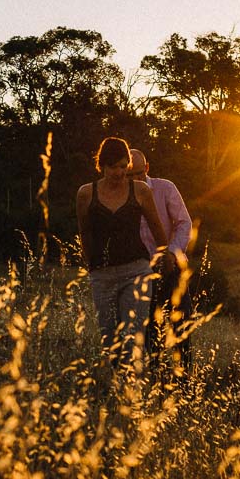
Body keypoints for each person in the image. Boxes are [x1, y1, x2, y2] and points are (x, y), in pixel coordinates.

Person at [76, 137, 172, 375]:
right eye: (112, 167)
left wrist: (166, 257)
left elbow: (157, 229)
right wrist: (92, 267)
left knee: (131, 339)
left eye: (122, 166)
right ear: (102, 166)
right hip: (103, 275)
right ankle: (116, 393)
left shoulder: (140, 191)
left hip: (136, 272)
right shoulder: (86, 194)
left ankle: (133, 392)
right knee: (110, 342)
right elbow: (84, 233)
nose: (118, 172)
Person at [128, 149, 193, 374]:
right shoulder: (123, 195)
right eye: (129, 174)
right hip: (141, 269)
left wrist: (172, 253)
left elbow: (184, 223)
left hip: (172, 266)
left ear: (146, 168)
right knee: (149, 331)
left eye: (137, 173)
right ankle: (156, 377)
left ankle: (184, 380)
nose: (134, 179)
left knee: (181, 325)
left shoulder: (165, 188)